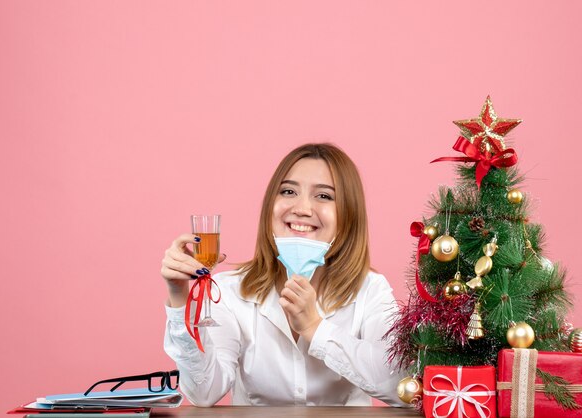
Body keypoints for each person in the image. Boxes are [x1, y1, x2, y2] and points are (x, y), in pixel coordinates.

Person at [160, 143, 407, 407]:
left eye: (324, 196)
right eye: (288, 191)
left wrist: (315, 328)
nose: (301, 208)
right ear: (270, 207)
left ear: (349, 216)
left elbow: (402, 387)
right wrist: (179, 296)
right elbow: (203, 392)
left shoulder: (370, 289)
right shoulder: (229, 291)